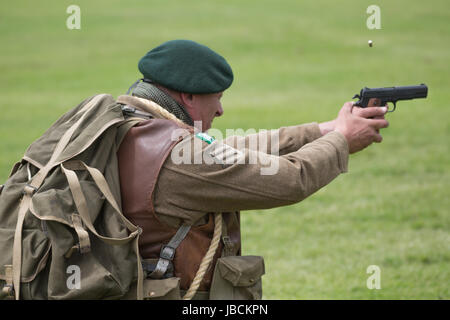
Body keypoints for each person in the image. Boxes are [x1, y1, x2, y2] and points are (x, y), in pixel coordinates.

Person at [115, 39, 389, 299]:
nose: (221, 110)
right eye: (217, 97)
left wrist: (324, 131)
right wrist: (341, 141)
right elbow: (290, 180)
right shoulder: (180, 160)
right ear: (187, 96)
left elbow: (226, 151)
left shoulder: (131, 124)